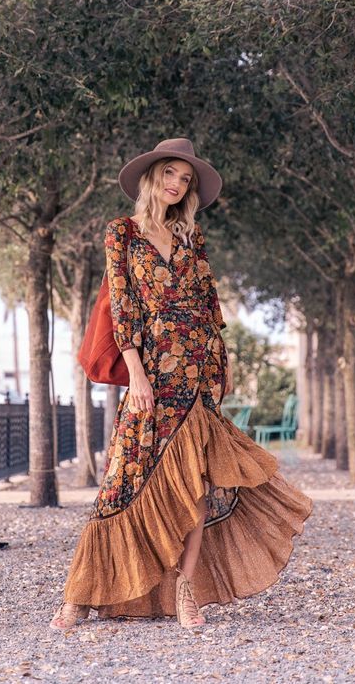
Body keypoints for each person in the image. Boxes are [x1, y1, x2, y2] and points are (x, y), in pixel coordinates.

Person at [50, 137, 313, 631]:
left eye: (185, 179)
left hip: (197, 372)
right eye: (170, 173)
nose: (177, 184)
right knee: (121, 481)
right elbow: (123, 308)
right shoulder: (122, 233)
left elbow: (210, 305)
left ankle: (185, 589)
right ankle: (80, 595)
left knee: (195, 485)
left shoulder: (192, 237)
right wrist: (137, 372)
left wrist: (221, 363)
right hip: (152, 371)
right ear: (153, 177)